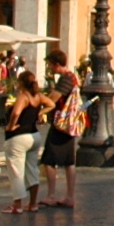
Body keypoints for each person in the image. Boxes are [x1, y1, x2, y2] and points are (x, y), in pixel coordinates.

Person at [0, 70, 49, 215]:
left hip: (18, 137)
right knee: (32, 170)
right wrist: (40, 113)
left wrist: (10, 126)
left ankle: (17, 204)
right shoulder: (38, 96)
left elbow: (16, 113)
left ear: (21, 83)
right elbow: (51, 104)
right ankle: (33, 203)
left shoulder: (24, 96)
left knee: (16, 172)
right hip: (34, 135)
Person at [39, 69, 84, 209]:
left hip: (62, 123)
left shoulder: (65, 78)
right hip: (70, 123)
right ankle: (70, 196)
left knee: (49, 160)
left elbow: (54, 97)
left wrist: (40, 102)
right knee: (69, 161)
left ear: (55, 65)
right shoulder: (74, 77)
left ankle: (51, 195)